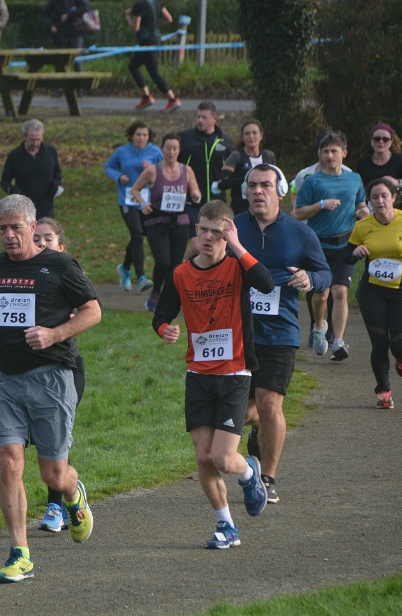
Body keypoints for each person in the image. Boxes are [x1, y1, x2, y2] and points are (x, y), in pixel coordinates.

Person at [0, 195, 101, 582]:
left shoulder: (58, 265)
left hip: (51, 377)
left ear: (31, 226)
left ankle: (73, 494)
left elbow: (94, 310)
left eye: (15, 228)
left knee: (53, 475)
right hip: (6, 379)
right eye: (2, 229)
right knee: (9, 461)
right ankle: (20, 552)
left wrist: (54, 334)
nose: (8, 235)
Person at [151, 200, 272, 549]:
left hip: (234, 373)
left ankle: (248, 471)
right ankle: (226, 526)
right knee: (203, 457)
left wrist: (238, 246)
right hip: (198, 374)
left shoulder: (237, 267)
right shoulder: (180, 274)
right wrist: (165, 330)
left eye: (216, 232)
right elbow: (161, 315)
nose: (207, 237)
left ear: (228, 233)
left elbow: (266, 283)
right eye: (202, 230)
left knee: (223, 458)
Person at [234, 164, 331, 504]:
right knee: (242, 411)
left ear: (280, 191)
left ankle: (267, 479)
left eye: (265, 185)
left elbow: (324, 273)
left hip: (280, 333)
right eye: (252, 185)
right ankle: (258, 427)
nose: (258, 191)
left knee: (270, 403)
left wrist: (310, 279)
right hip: (237, 333)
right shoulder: (233, 228)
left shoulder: (300, 233)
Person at [30, 217, 98, 533]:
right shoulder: (24, 275)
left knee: (53, 440)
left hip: (65, 370)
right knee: (37, 443)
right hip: (24, 374)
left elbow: (92, 310)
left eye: (48, 238)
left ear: (61, 245)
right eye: (37, 238)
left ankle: (56, 507)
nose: (42, 243)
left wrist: (62, 324)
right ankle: (66, 494)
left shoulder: (67, 274)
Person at [344, 179, 402, 410]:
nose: (380, 201)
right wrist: (355, 252)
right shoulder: (363, 226)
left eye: (384, 196)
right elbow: (346, 256)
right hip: (372, 291)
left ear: (393, 198)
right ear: (369, 201)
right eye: (374, 197)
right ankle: (383, 391)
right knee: (379, 343)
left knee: (400, 346)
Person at [294, 131, 369, 361]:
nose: (329, 156)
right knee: (321, 295)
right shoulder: (312, 181)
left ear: (344, 153)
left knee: (340, 292)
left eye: (334, 151)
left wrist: (363, 212)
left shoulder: (354, 179)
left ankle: (338, 341)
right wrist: (321, 204)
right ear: (319, 154)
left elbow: (361, 204)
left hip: (345, 245)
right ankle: (319, 328)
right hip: (317, 246)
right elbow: (298, 213)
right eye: (325, 151)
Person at [130, 132, 202, 312]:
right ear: (162, 149)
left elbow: (196, 192)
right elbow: (135, 189)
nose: (171, 152)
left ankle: (169, 297)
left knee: (176, 264)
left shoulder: (186, 170)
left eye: (175, 148)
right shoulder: (153, 170)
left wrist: (195, 195)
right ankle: (156, 291)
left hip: (180, 222)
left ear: (179, 150)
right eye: (168, 148)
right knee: (163, 262)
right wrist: (143, 204)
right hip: (157, 222)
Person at [104, 119, 163, 293]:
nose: (141, 138)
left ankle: (124, 269)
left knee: (139, 236)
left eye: (145, 135)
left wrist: (152, 168)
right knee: (137, 234)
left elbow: (165, 171)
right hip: (127, 199)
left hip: (146, 200)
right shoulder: (122, 151)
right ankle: (142, 277)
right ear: (131, 136)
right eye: (138, 134)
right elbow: (108, 167)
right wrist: (119, 176)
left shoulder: (155, 151)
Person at [178, 101, 234, 255]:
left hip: (218, 202)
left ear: (214, 119)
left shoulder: (225, 141)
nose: (200, 120)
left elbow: (231, 170)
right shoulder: (185, 138)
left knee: (217, 247)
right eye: (198, 117)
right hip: (193, 202)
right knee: (197, 246)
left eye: (204, 117)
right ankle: (184, 268)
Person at [125, 0, 180, 112]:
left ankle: (172, 99)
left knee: (154, 72)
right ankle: (146, 96)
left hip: (146, 42)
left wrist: (127, 18)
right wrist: (155, 24)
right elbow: (169, 19)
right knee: (133, 66)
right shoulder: (156, 3)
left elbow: (136, 28)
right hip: (156, 39)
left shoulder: (138, 6)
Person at [0, 119, 63, 219]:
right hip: (24, 210)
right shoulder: (15, 156)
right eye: (32, 140)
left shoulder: (50, 152)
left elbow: (57, 172)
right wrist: (15, 192)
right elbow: (4, 181)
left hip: (46, 209)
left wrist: (56, 183)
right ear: (25, 136)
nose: (35, 143)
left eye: (38, 140)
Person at [214, 120, 276, 215]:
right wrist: (247, 179)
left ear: (261, 136)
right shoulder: (236, 156)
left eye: (254, 133)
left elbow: (275, 181)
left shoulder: (268, 156)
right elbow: (221, 183)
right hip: (241, 210)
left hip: (265, 209)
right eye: (247, 133)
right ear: (243, 138)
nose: (251, 136)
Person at [355, 123, 402, 205]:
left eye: (385, 139)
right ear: (372, 141)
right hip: (369, 208)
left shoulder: (399, 161)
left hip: (394, 208)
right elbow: (355, 189)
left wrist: (397, 182)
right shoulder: (363, 163)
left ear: (391, 142)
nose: (381, 142)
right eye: (377, 139)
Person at [41, 0, 90, 75]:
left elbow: (86, 6)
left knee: (76, 60)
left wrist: (69, 15)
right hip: (60, 34)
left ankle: (79, 82)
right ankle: (60, 83)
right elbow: (44, 15)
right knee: (60, 62)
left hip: (75, 33)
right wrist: (50, 26)